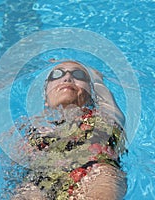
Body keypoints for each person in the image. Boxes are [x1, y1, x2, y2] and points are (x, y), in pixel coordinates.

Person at [12, 60, 127, 200]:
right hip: (40, 182)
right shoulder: (33, 128)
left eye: (79, 75)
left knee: (104, 174)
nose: (67, 78)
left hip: (96, 171)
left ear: (91, 94)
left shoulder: (104, 117)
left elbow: (102, 90)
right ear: (45, 98)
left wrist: (96, 76)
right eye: (56, 74)